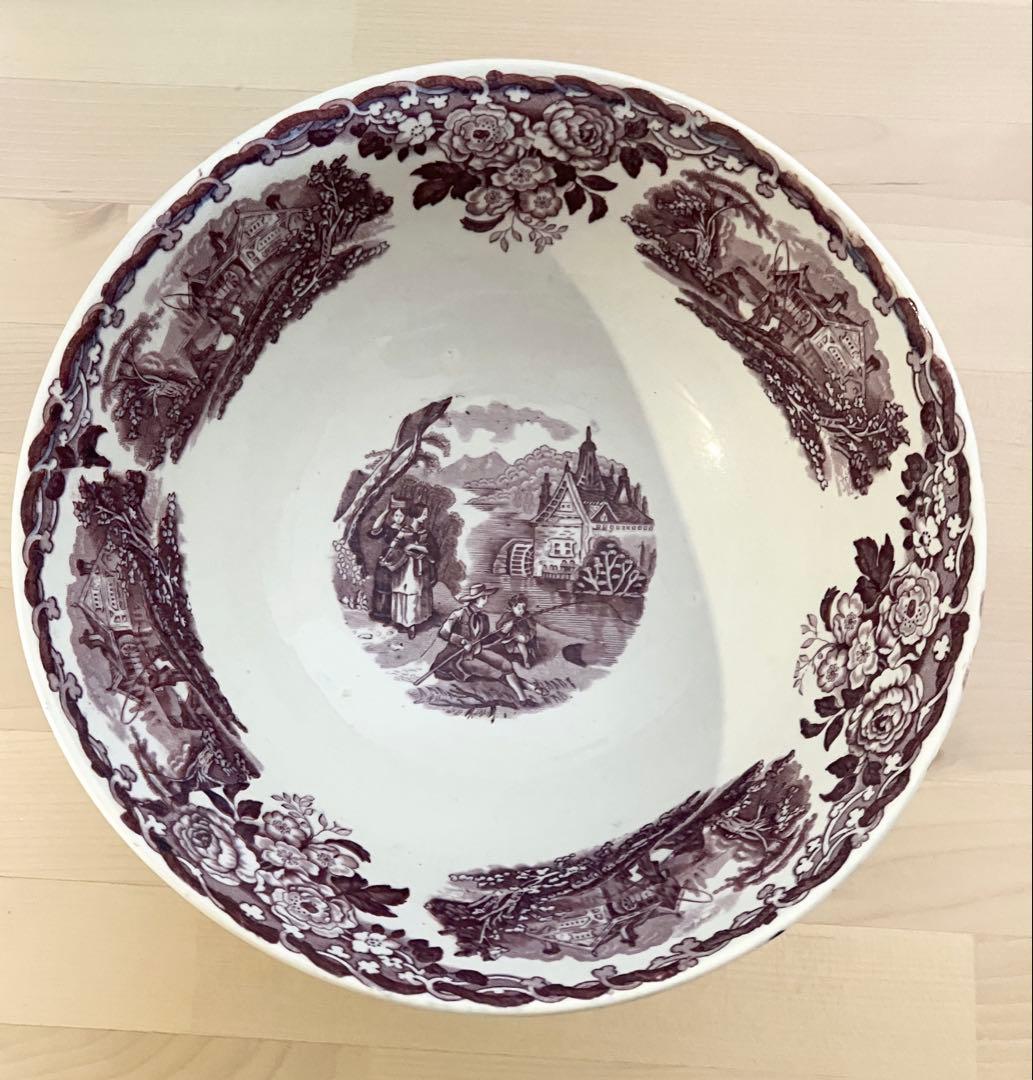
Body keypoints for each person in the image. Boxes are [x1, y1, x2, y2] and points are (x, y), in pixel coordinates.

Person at [430, 583, 536, 704]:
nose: (486, 600)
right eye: (484, 597)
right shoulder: (458, 614)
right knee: (494, 672)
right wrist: (461, 641)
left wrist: (503, 632)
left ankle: (523, 697)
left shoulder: (483, 618)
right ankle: (527, 692)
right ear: (477, 599)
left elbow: (485, 640)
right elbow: (443, 633)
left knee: (506, 664)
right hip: (458, 657)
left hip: (476, 651)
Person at [367, 496, 408, 622]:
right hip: (384, 558)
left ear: (405, 517)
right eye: (396, 515)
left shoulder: (407, 530)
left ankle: (391, 615)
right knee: (380, 586)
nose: (398, 518)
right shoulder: (388, 528)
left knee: (393, 588)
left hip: (398, 561)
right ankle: (378, 612)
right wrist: (385, 512)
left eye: (401, 516)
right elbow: (375, 529)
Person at [495, 593, 538, 667]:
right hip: (511, 637)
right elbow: (499, 626)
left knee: (521, 645)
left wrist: (527, 637)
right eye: (519, 608)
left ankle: (526, 660)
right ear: (512, 607)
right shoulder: (507, 615)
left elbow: (533, 629)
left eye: (523, 608)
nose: (521, 610)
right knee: (507, 648)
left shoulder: (527, 616)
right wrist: (505, 627)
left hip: (524, 637)